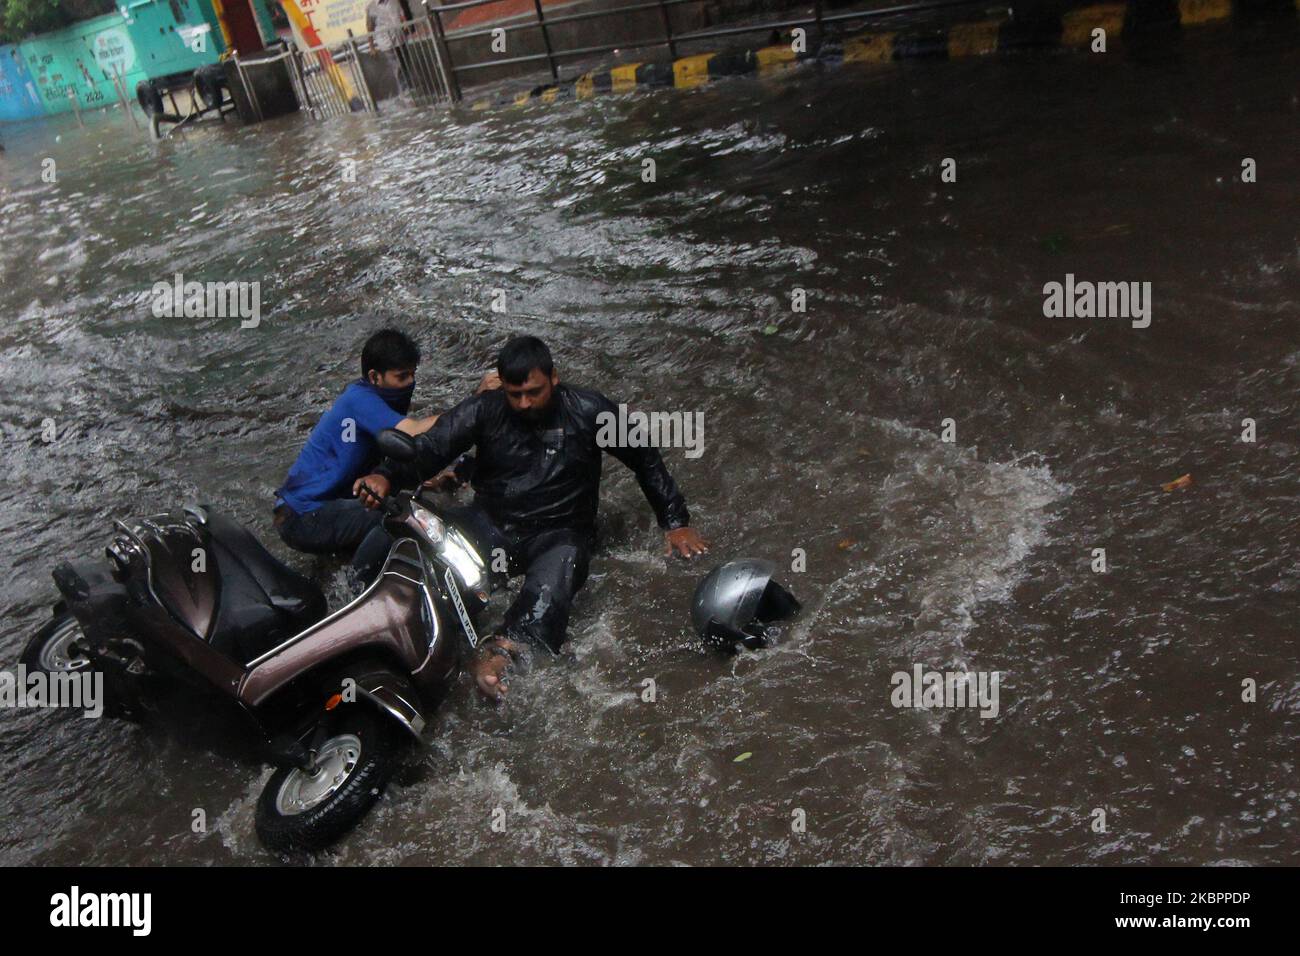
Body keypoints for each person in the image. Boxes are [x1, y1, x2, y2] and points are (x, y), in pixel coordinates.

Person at [356, 335, 709, 700]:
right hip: (490, 524)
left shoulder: (589, 410)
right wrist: (385, 476)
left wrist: (675, 522)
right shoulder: (484, 410)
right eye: (514, 394)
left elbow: (644, 456)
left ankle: (502, 655)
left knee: (556, 578)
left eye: (534, 392)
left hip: (559, 534)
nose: (524, 403)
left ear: (554, 378)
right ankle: (374, 606)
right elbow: (429, 450)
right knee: (408, 523)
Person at [273, 328, 495, 580]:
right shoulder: (359, 400)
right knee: (396, 519)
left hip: (331, 506)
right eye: (402, 377)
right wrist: (476, 401)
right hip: (303, 515)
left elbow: (386, 458)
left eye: (413, 374)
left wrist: (430, 481)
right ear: (374, 377)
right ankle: (358, 590)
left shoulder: (383, 399)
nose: (410, 383)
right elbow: (412, 432)